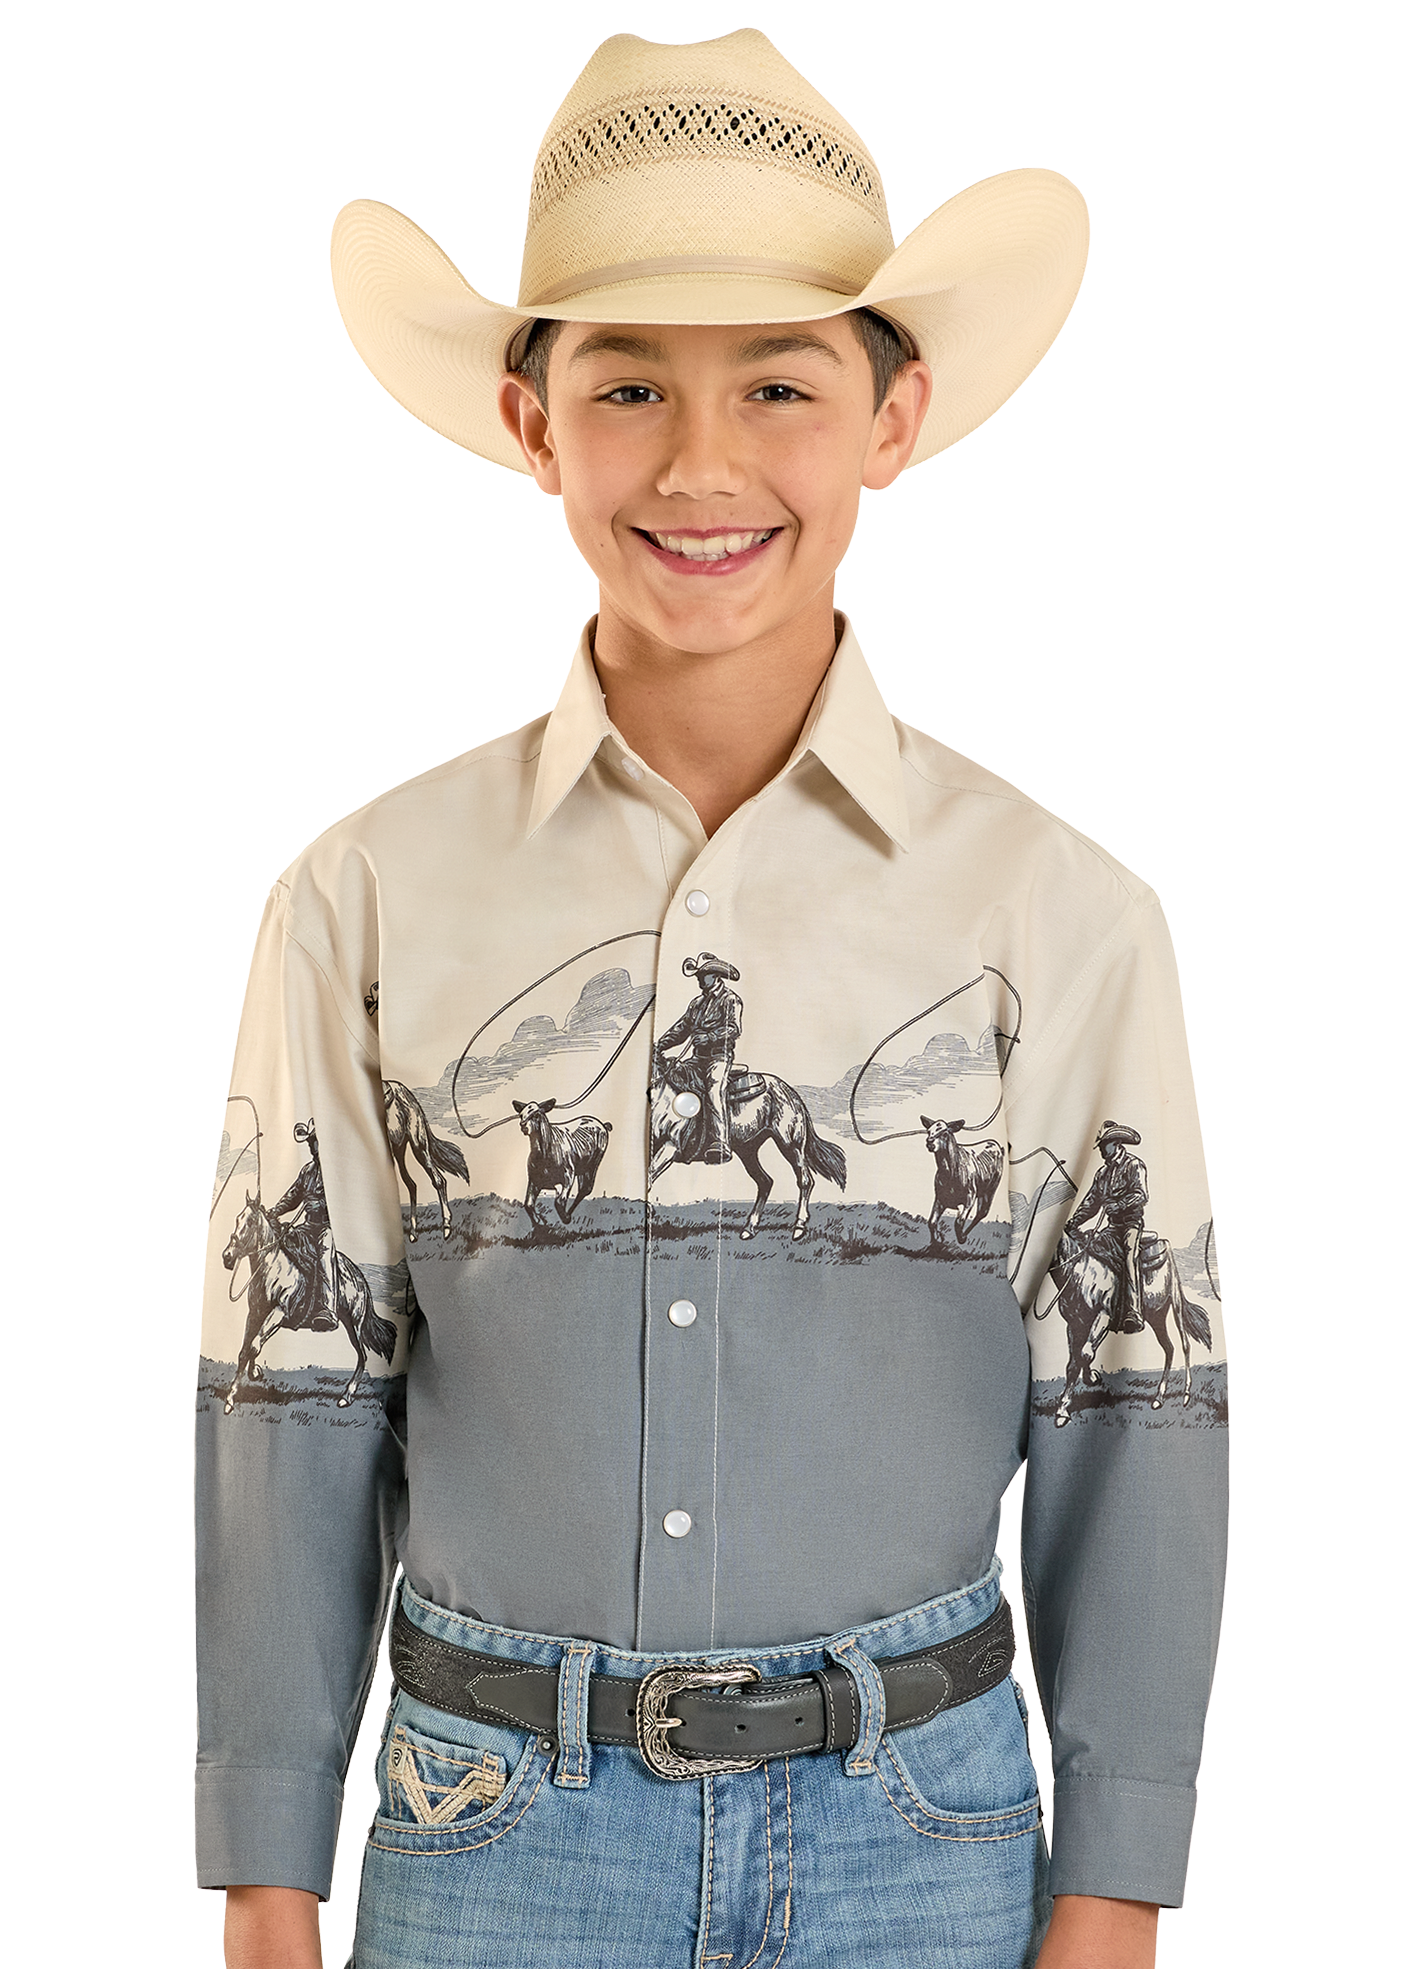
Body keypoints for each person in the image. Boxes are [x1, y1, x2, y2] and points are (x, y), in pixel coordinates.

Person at [197, 29, 1227, 1969]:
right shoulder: (362, 896)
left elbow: (1136, 1403)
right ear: (529, 419)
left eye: (778, 382)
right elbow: (292, 1393)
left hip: (924, 1838)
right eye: (627, 384)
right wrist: (267, 1886)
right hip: (489, 1836)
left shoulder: (1064, 910)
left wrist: (1113, 1901)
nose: (701, 463)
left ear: (892, 414)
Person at [653, 953, 745, 1163]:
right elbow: (681, 1029)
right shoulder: (697, 1004)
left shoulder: (731, 1000)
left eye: (702, 974)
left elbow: (733, 1028)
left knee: (714, 1089)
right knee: (671, 1079)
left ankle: (720, 1142)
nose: (698, 979)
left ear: (714, 975)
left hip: (718, 1058)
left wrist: (710, 1037)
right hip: (697, 1059)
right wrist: (660, 1045)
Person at [1066, 1122, 1149, 1333]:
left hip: (1131, 1225)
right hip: (1112, 1228)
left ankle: (1134, 1312)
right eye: (1102, 1146)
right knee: (1090, 1252)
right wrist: (1074, 1222)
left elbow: (1141, 1194)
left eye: (1105, 1145)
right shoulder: (1102, 1174)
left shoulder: (1134, 1165)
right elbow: (1091, 1203)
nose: (1102, 1149)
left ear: (1116, 1143)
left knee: (1129, 1257)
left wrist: (1119, 1204)